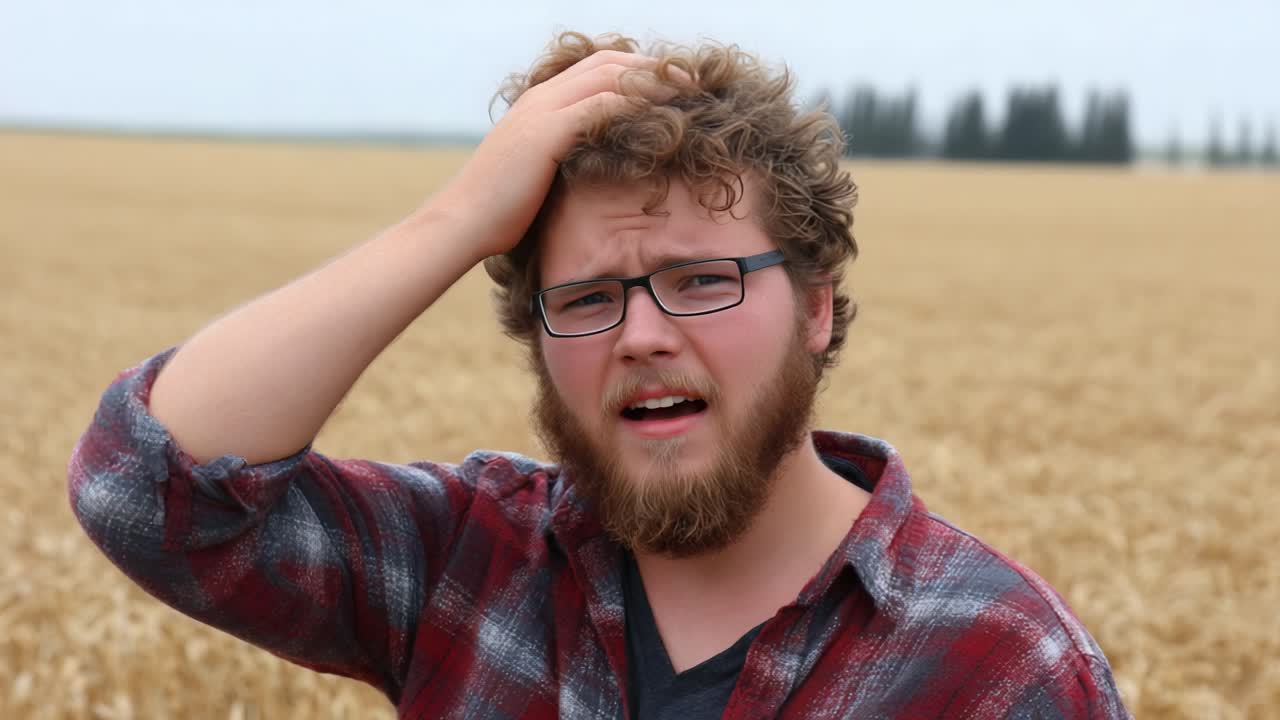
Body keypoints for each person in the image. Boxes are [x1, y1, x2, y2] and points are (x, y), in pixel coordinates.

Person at [67, 31, 1131, 719]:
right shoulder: (472, 564)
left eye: (700, 280)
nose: (640, 335)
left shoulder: (999, 668)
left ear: (814, 307)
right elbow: (145, 490)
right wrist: (460, 221)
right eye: (584, 298)